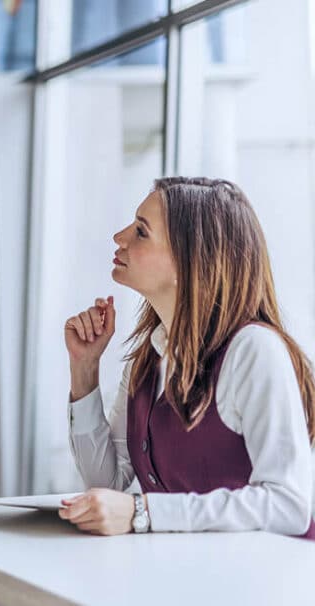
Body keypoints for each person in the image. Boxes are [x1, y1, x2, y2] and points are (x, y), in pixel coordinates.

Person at [60, 177, 315, 538]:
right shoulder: (148, 360)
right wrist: (84, 369)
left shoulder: (253, 351)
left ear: (190, 262)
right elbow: (109, 484)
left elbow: (289, 505)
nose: (120, 237)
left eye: (141, 232)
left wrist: (144, 511)